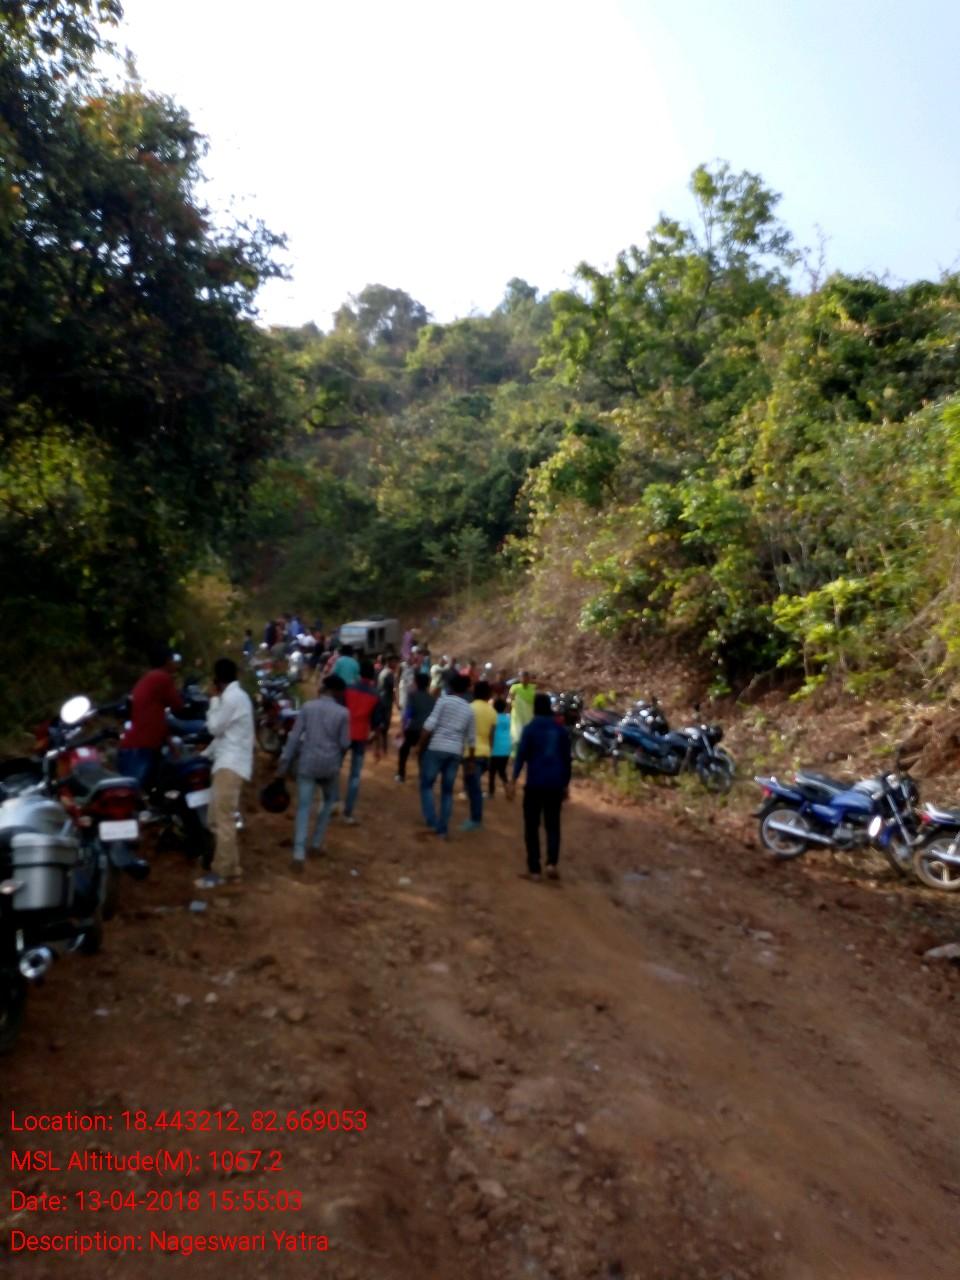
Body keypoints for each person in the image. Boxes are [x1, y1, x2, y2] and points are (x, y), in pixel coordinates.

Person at [277, 674, 350, 872]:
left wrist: (283, 765)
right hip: (330, 766)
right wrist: (338, 758)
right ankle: (316, 843)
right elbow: (345, 743)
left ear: (324, 688)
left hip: (308, 763)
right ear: (338, 692)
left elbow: (294, 738)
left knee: (304, 807)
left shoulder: (308, 708)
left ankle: (298, 854)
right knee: (328, 801)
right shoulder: (343, 713)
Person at [196, 658, 255, 889]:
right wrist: (205, 754)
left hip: (230, 766)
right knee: (216, 818)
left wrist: (213, 700)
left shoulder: (230, 698)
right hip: (227, 763)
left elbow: (214, 728)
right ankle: (232, 868)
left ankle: (221, 873)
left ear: (217, 680)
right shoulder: (238, 697)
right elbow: (225, 736)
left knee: (223, 820)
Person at [510, 692, 572, 882]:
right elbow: (567, 760)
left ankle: (534, 869)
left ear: (535, 708)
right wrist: (566, 784)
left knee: (532, 826)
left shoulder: (530, 729)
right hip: (555, 784)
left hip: (535, 783)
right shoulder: (560, 730)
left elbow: (521, 756)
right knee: (553, 824)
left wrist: (513, 779)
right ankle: (551, 863)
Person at [117, 644, 185, 794]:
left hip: (138, 745)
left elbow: (155, 718)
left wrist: (169, 742)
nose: (175, 664)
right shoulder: (162, 677)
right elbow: (178, 705)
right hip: (141, 747)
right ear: (167, 661)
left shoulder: (149, 678)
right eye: (172, 660)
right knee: (131, 795)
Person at [419, 673, 476, 839]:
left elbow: (429, 725)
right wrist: (470, 761)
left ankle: (431, 819)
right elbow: (471, 739)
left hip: (437, 747)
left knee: (427, 784)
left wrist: (419, 746)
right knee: (447, 791)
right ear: (465, 690)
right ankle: (442, 829)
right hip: (455, 752)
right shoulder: (469, 709)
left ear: (450, 687)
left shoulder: (443, 701)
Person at [342, 660, 383, 823]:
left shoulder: (348, 689)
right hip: (361, 736)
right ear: (373, 676)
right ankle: (348, 813)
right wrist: (377, 747)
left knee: (335, 768)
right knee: (355, 775)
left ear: (359, 673)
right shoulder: (375, 695)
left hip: (344, 733)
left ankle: (332, 801)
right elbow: (376, 724)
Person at [462, 680, 496, 831]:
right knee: (473, 786)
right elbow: (491, 736)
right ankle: (475, 818)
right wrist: (490, 752)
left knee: (474, 789)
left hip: (471, 754)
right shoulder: (492, 712)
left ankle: (476, 819)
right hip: (485, 753)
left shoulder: (469, 708)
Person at [397, 671, 434, 782]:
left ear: (416, 683)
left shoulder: (412, 695)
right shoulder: (432, 699)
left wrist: (403, 728)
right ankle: (422, 777)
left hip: (413, 729)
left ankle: (401, 774)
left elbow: (408, 713)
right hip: (426, 731)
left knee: (404, 750)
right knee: (423, 754)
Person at [488, 697, 512, 798]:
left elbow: (491, 733)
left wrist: (490, 746)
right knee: (502, 770)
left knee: (492, 771)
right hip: (506, 747)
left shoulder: (493, 717)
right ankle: (507, 786)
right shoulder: (508, 718)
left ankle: (491, 792)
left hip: (495, 747)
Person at [509, 669, 537, 752]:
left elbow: (546, 684)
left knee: (528, 739)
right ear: (520, 678)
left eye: (526, 677)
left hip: (529, 717)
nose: (524, 679)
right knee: (516, 737)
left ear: (529, 678)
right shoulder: (515, 688)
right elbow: (511, 699)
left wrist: (533, 681)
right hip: (517, 717)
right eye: (522, 677)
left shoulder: (533, 687)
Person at [376, 655, 398, 756]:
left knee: (381, 723)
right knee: (386, 724)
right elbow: (393, 690)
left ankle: (379, 745)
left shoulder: (383, 672)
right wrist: (397, 703)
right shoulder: (390, 674)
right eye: (394, 662)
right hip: (386, 702)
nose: (396, 664)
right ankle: (383, 747)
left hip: (380, 699)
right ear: (389, 662)